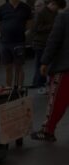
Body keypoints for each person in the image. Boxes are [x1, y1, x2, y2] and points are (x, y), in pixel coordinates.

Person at [31, 6, 69, 142]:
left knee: (57, 101)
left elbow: (54, 40)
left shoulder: (64, 17)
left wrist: (45, 61)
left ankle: (47, 130)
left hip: (65, 68)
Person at [31, 0, 66, 94]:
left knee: (48, 66)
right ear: (52, 4)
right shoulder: (42, 13)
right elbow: (36, 28)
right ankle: (39, 85)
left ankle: (46, 85)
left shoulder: (54, 13)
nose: (57, 10)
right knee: (40, 65)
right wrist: (52, 26)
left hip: (47, 43)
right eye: (56, 7)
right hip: (40, 44)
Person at [0, 0, 33, 87]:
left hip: (18, 42)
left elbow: (29, 24)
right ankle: (8, 89)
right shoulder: (2, 8)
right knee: (7, 68)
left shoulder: (25, 7)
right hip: (4, 43)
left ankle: (20, 88)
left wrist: (22, 32)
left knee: (19, 67)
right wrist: (6, 32)